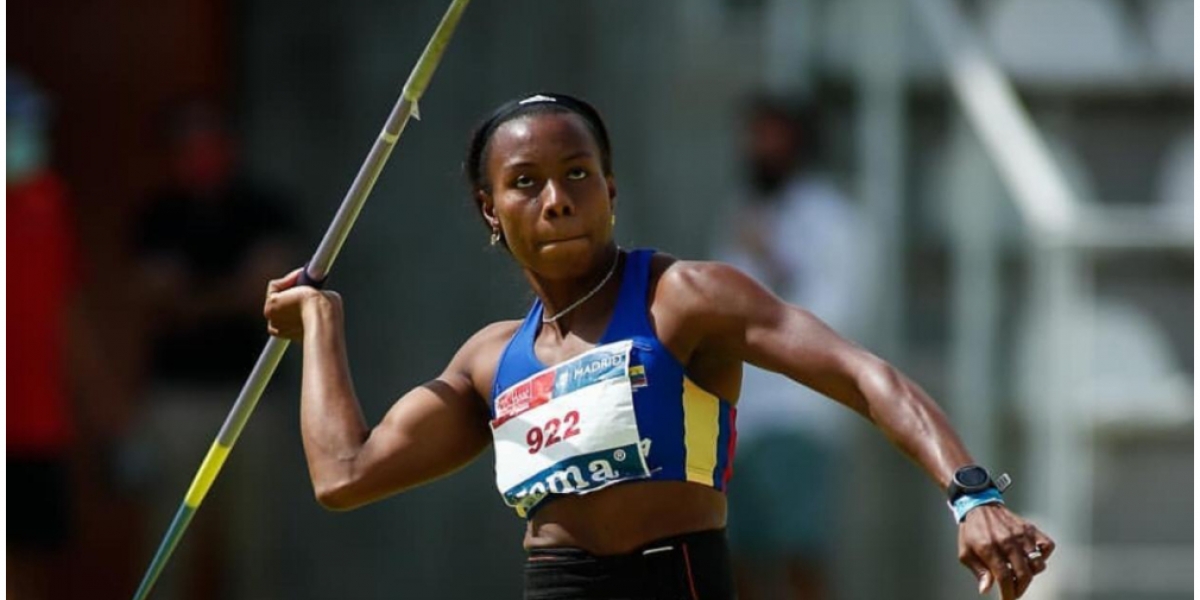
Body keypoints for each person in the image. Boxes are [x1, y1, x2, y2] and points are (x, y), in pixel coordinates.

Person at [263, 92, 1054, 600]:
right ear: (489, 210)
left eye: (577, 174)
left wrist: (973, 494)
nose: (556, 199)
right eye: (526, 181)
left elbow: (863, 374)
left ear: (611, 190)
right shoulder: (488, 360)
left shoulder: (686, 298)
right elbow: (344, 475)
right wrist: (322, 329)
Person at [132, 98, 296, 600]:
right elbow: (156, 298)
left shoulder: (265, 209)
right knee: (167, 542)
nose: (201, 156)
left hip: (254, 397)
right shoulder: (158, 215)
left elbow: (267, 293)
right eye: (189, 146)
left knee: (256, 547)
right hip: (175, 400)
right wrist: (234, 294)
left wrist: (197, 298)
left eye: (211, 144)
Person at [715, 96, 873, 599]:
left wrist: (772, 258)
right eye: (755, 135)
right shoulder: (743, 210)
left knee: (798, 546)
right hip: (738, 408)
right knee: (737, 551)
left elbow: (834, 316)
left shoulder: (831, 217)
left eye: (772, 136)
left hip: (797, 411)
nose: (760, 148)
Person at [7, 69, 80, 600]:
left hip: (37, 426)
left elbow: (68, 315)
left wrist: (113, 419)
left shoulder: (46, 202)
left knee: (29, 567)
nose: (28, 136)